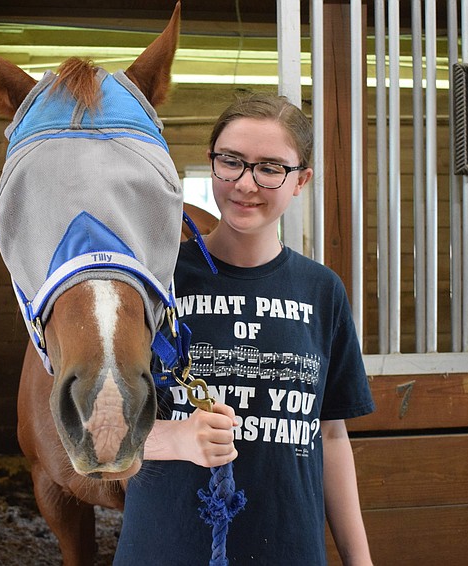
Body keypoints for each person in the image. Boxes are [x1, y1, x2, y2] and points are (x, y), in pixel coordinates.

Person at [114, 92, 375, 565]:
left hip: (288, 546)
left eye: (270, 168)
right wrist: (176, 439)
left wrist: (360, 561)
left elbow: (331, 436)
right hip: (166, 547)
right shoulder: (156, 281)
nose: (245, 184)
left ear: (301, 181)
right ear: (212, 162)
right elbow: (104, 426)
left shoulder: (322, 290)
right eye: (231, 161)